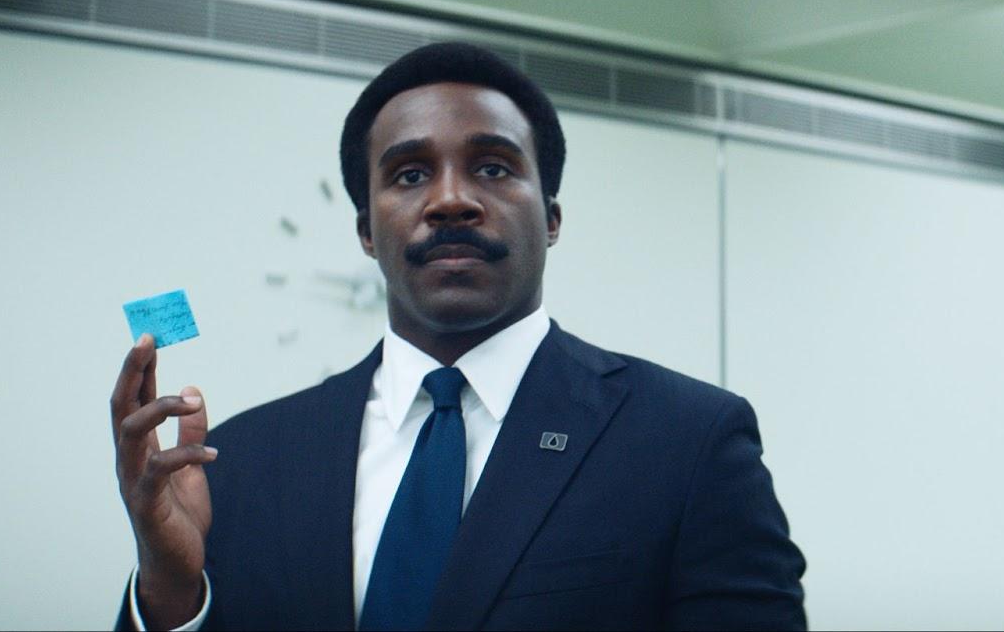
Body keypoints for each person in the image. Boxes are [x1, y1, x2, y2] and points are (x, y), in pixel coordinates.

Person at [108, 42, 807, 631]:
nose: (449, 200)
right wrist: (169, 592)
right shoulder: (242, 460)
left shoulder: (686, 441)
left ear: (552, 218)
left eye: (493, 168)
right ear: (366, 231)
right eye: (410, 174)